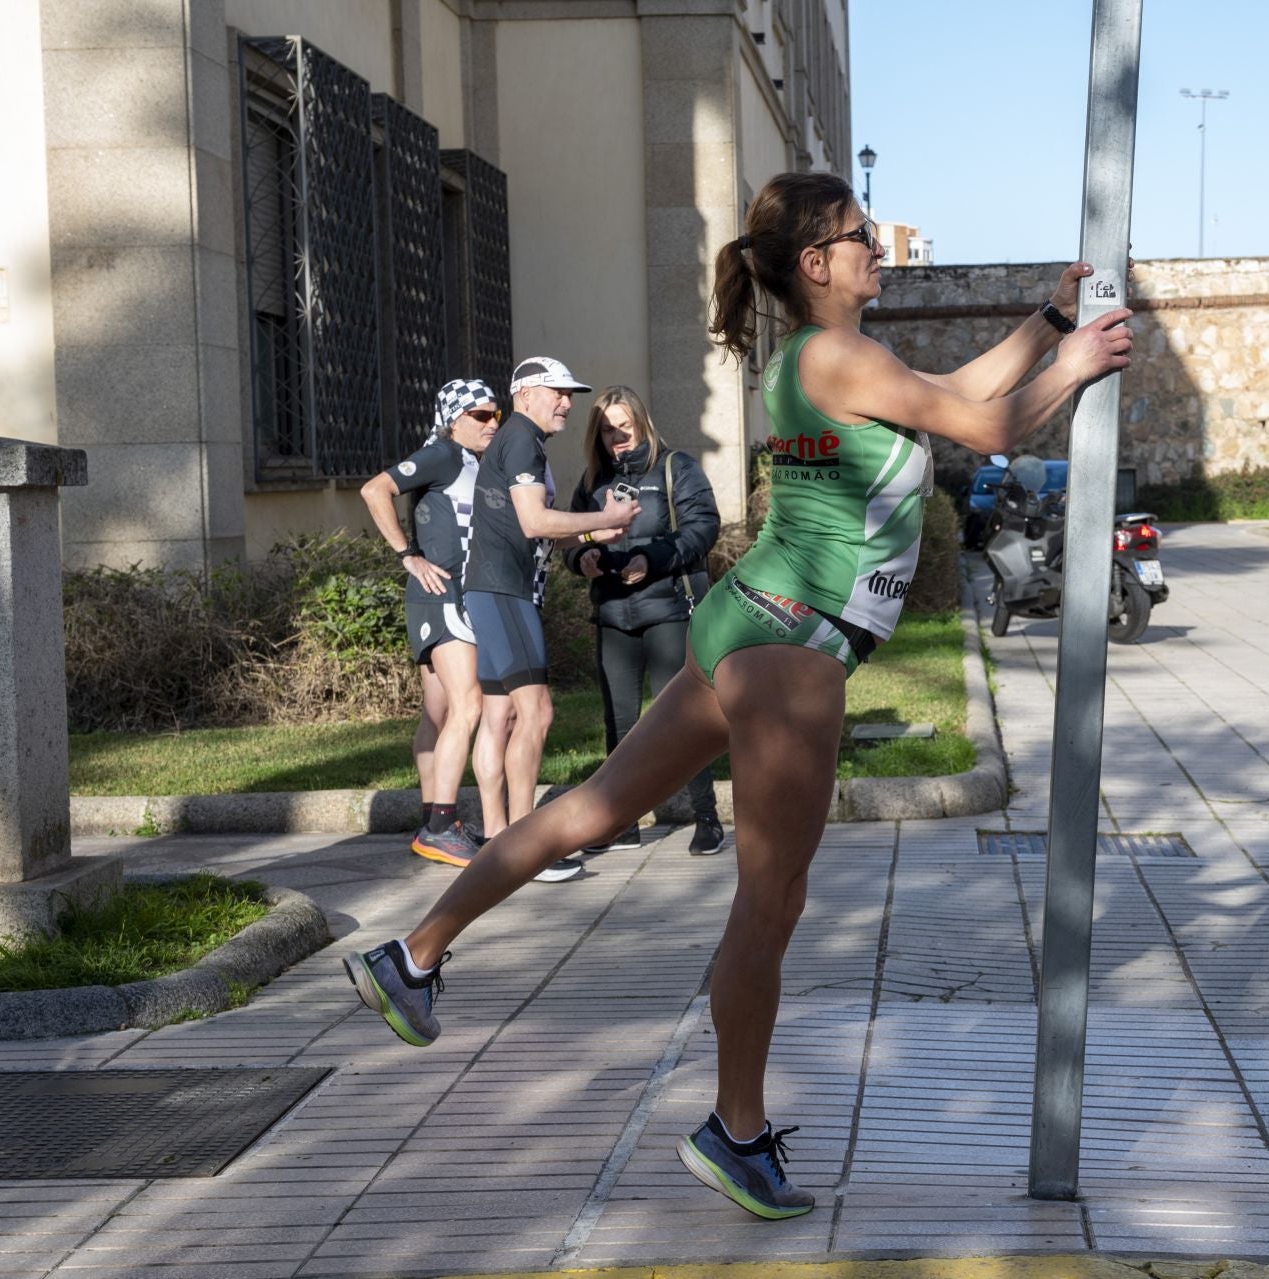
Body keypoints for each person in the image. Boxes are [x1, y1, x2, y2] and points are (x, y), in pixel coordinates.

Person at [342, 171, 1132, 1220]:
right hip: (795, 652)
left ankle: (413, 954)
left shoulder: (823, 358)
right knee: (770, 902)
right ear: (816, 263)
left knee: (588, 810)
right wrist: (1076, 365)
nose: (877, 251)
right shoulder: (841, 354)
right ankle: (736, 1132)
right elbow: (987, 430)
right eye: (861, 238)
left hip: (743, 623)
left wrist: (1044, 324)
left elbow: (957, 392)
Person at [460, 355, 640, 881]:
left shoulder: (520, 441)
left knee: (501, 717)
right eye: (556, 391)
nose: (566, 402)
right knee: (536, 714)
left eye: (569, 393)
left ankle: (498, 841)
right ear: (526, 395)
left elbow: (529, 528)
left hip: (495, 589)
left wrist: (590, 534)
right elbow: (534, 520)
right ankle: (527, 849)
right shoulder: (519, 438)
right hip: (503, 593)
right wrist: (605, 516)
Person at [563, 386, 725, 856]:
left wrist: (650, 560)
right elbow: (570, 539)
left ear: (642, 424)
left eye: (624, 428)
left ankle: (707, 819)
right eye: (607, 430)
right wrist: (584, 559)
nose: (617, 438)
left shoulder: (676, 468)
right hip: (612, 613)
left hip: (669, 610)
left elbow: (702, 528)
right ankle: (621, 822)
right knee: (620, 721)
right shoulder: (592, 480)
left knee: (684, 721)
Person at [359, 380, 501, 867]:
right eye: (481, 416)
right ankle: (441, 825)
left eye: (495, 415)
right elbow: (375, 489)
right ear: (455, 419)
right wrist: (408, 556)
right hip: (443, 597)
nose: (492, 423)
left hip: (444, 597)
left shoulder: (467, 460)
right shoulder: (443, 453)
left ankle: (433, 821)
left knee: (438, 714)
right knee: (469, 706)